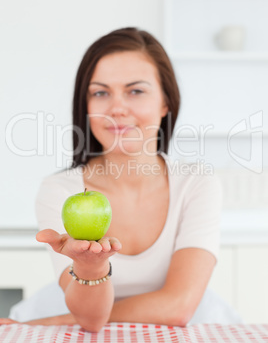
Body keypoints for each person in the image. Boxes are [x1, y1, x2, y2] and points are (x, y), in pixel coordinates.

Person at [0, 27, 222, 331]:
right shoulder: (60, 191)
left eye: (136, 90)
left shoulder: (196, 183)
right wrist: (90, 267)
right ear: (87, 106)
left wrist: (55, 321)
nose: (116, 108)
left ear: (165, 102)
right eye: (100, 93)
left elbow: (178, 307)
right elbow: (91, 320)